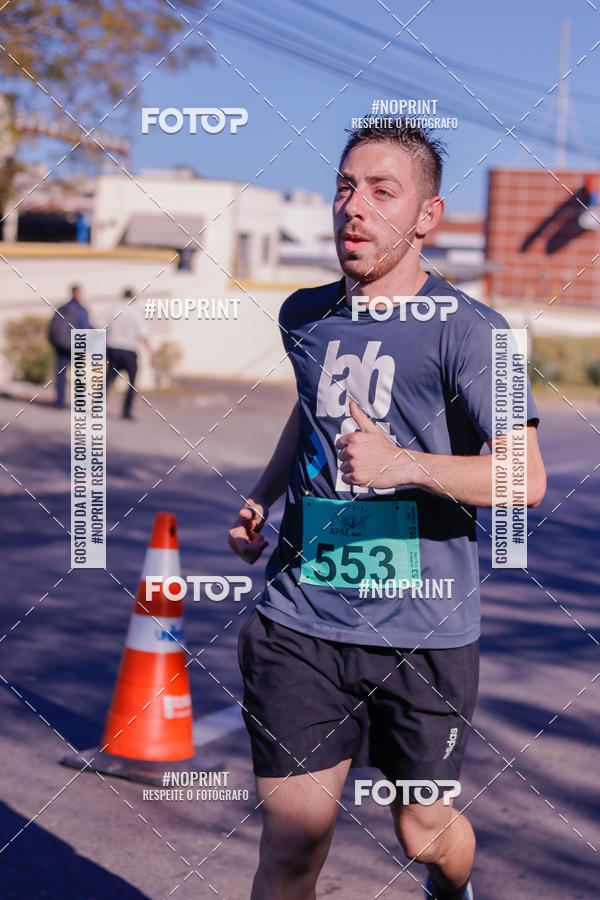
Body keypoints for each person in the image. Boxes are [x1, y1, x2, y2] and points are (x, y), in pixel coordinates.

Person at [228, 121, 547, 900]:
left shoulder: (476, 335)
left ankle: (451, 887)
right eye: (344, 186)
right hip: (300, 620)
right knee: (292, 848)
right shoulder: (304, 315)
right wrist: (265, 495)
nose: (353, 208)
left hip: (424, 632)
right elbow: (314, 412)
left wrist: (402, 464)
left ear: (427, 218)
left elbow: (527, 478)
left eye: (381, 191)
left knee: (423, 832)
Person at [105, 288, 153, 420]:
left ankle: (97, 407)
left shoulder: (113, 309)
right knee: (132, 382)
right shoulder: (136, 312)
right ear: (133, 297)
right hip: (129, 350)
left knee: (109, 379)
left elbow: (99, 325)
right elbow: (143, 335)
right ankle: (126, 411)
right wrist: (150, 353)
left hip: (113, 348)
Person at [47, 284, 92, 409]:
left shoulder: (62, 308)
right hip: (76, 345)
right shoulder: (82, 310)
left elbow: (53, 327)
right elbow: (85, 329)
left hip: (61, 345)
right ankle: (80, 404)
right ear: (79, 293)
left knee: (60, 374)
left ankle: (59, 402)